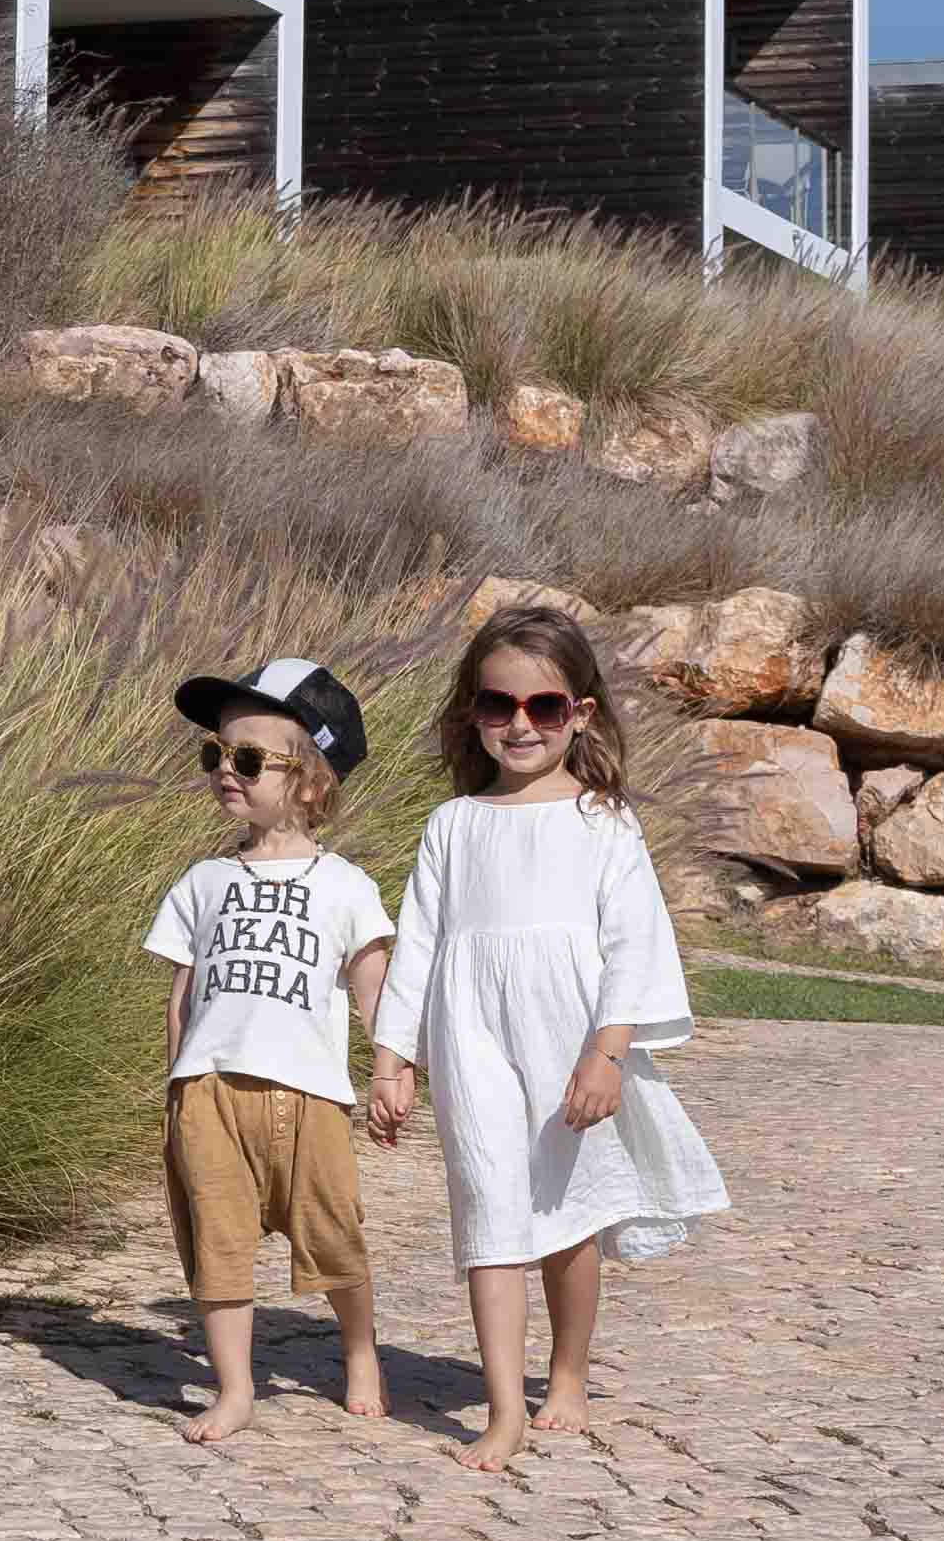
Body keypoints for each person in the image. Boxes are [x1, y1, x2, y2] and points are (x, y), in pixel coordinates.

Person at [364, 601, 722, 1472]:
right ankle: (500, 1409)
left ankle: (566, 1373)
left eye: (542, 708)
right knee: (489, 1203)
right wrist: (390, 1056)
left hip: (568, 1038)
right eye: (497, 706)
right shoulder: (452, 825)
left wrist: (606, 1053)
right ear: (471, 715)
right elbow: (417, 943)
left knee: (565, 1213)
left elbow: (633, 941)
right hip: (469, 1034)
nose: (518, 725)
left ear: (579, 714)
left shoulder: (602, 821)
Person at [144, 656, 395, 1443]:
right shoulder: (202, 878)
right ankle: (235, 1388)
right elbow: (183, 989)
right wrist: (176, 1077)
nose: (226, 770)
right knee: (215, 1243)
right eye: (215, 754)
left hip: (308, 1092)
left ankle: (360, 1353)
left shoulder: (345, 884)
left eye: (249, 759)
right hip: (209, 1089)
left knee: (333, 1235)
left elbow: (373, 987)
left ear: (311, 780)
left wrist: (391, 1068)